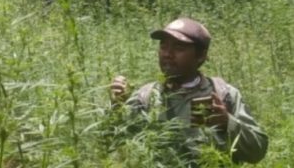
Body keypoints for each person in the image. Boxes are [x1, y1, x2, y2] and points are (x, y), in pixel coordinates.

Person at [110, 17, 268, 165]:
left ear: (201, 56)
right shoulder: (146, 97)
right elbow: (113, 148)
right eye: (163, 46)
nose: (168, 54)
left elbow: (258, 151)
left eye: (178, 48)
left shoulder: (223, 94)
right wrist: (117, 106)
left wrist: (227, 122)